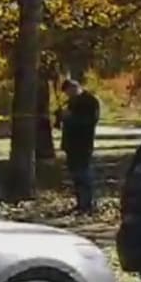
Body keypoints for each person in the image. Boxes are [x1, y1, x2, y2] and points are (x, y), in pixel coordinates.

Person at [58, 79, 100, 215]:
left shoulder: (90, 101)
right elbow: (63, 122)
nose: (68, 95)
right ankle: (80, 202)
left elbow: (90, 121)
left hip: (83, 143)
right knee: (75, 174)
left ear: (74, 87)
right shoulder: (71, 102)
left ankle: (87, 203)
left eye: (69, 92)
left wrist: (71, 118)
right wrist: (60, 117)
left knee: (83, 173)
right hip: (71, 144)